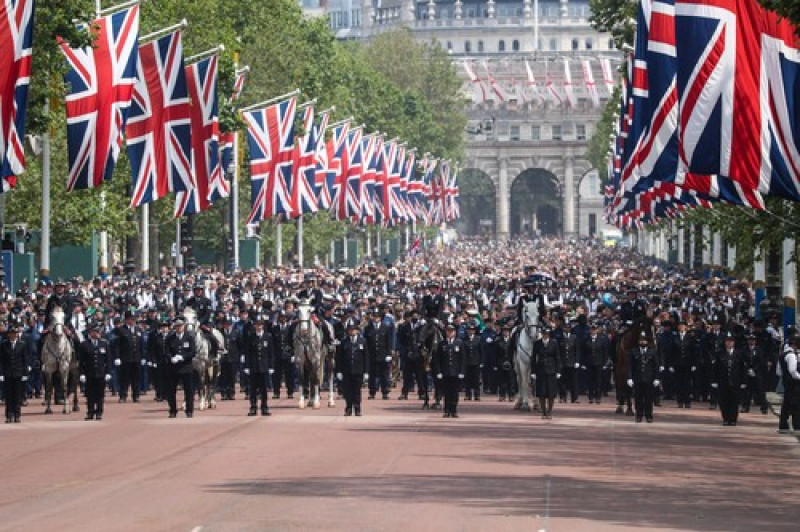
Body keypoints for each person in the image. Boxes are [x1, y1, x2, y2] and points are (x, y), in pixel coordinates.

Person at [711, 331, 748, 426]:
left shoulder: (739, 354)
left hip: (735, 381)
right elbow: (715, 368)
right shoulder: (720, 353)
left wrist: (743, 382)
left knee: (734, 401)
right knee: (724, 401)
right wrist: (714, 381)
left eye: (731, 341)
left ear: (734, 342)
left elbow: (743, 368)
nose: (729, 343)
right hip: (723, 381)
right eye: (727, 341)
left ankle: (733, 419)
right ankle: (726, 418)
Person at [78, 321, 112, 420]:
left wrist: (108, 372)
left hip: (101, 373)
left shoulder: (104, 343)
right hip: (90, 373)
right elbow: (81, 361)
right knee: (90, 395)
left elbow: (108, 359)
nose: (97, 333)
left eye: (98, 332)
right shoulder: (84, 345)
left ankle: (99, 412)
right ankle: (90, 412)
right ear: (90, 333)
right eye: (94, 332)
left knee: (100, 394)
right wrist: (82, 373)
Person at [242, 314, 275, 416]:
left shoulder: (268, 336)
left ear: (263, 326)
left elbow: (271, 353)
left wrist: (271, 366)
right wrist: (246, 366)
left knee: (264, 389)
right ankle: (253, 407)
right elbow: (247, 352)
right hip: (253, 366)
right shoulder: (251, 337)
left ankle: (264, 407)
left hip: (264, 367)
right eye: (257, 325)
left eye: (260, 325)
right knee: (253, 389)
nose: (259, 327)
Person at [0, 320, 31, 423]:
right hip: (8, 373)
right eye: (11, 333)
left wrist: (25, 373)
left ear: (17, 335)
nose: (13, 335)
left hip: (18, 373)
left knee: (17, 396)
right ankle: (9, 415)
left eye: (15, 333)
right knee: (8, 396)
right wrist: (1, 374)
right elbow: (1, 360)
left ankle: (17, 415)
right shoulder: (4, 345)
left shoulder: (22, 345)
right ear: (8, 335)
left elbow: (25, 360)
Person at [434, 323, 466, 418]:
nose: (450, 333)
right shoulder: (442, 344)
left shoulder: (459, 343)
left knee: (455, 392)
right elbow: (437, 359)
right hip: (445, 372)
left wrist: (462, 372)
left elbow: (463, 359)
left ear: (455, 333)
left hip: (455, 372)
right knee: (446, 392)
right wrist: (438, 371)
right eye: (448, 331)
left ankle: (454, 410)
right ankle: (447, 410)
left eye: (452, 331)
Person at [166, 317, 196, 418]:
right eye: (177, 326)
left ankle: (189, 410)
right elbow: (166, 351)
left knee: (189, 391)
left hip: (186, 367)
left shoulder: (189, 337)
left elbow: (193, 352)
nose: (179, 328)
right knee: (171, 391)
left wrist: (183, 357)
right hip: (173, 368)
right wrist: (171, 358)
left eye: (181, 326)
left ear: (184, 327)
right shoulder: (170, 338)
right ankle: (173, 410)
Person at [336, 322, 368, 416]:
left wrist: (366, 371)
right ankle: (348, 408)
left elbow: (366, 357)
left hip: (358, 370)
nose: (352, 331)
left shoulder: (363, 341)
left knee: (357, 391)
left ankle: (357, 409)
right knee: (348, 391)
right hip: (347, 370)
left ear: (357, 331)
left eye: (354, 330)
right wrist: (339, 371)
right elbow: (339, 358)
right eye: (350, 330)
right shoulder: (344, 341)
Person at [627, 331, 659, 423]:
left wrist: (656, 378)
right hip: (638, 378)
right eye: (641, 340)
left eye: (644, 341)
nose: (642, 342)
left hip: (649, 379)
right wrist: (629, 378)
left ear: (647, 342)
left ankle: (649, 416)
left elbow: (656, 366)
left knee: (649, 398)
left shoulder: (652, 352)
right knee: (638, 398)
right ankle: (639, 415)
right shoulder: (633, 351)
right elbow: (630, 366)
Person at [114, 310, 144, 403]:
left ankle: (136, 396)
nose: (133, 321)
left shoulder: (138, 329)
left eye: (134, 319)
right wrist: (117, 357)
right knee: (124, 378)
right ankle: (123, 396)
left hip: (136, 358)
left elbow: (141, 344)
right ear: (127, 320)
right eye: (131, 319)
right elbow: (117, 345)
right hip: (125, 358)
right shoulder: (121, 330)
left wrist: (143, 356)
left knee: (136, 378)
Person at [364, 309, 394, 400]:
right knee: (372, 375)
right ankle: (372, 392)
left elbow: (388, 341)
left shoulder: (386, 327)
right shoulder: (368, 328)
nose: (376, 319)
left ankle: (385, 392)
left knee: (384, 375)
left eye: (378, 317)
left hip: (383, 354)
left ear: (380, 318)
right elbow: (366, 343)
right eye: (374, 317)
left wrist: (389, 353)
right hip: (372, 354)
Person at [534, 327, 561, 419]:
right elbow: (533, 358)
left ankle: (549, 411)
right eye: (543, 333)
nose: (545, 335)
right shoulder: (537, 343)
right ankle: (544, 412)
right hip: (540, 370)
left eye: (546, 334)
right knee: (541, 393)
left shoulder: (554, 343)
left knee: (551, 393)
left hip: (551, 370)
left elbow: (557, 357)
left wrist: (558, 371)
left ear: (549, 335)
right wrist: (533, 371)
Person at [777, 334, 800, 434]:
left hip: (787, 383)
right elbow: (793, 371)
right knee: (796, 406)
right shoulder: (791, 355)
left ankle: (783, 426)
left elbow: (778, 371)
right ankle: (797, 426)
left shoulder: (783, 354)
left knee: (786, 405)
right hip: (794, 384)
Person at [582, 322, 609, 404]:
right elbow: (583, 352)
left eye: (594, 329)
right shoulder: (586, 339)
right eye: (591, 329)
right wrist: (583, 363)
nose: (593, 331)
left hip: (599, 363)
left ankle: (598, 397)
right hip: (589, 363)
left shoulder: (602, 340)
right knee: (590, 381)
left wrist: (605, 363)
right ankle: (590, 397)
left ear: (597, 330)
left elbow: (605, 352)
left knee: (598, 380)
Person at [462, 320, 484, 401]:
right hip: (467, 363)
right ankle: (468, 395)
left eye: (472, 330)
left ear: (474, 331)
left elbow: (481, 351)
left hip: (476, 362)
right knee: (467, 379)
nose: (470, 331)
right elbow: (463, 352)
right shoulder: (464, 340)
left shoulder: (478, 339)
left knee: (476, 379)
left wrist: (481, 362)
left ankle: (477, 394)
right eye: (469, 330)